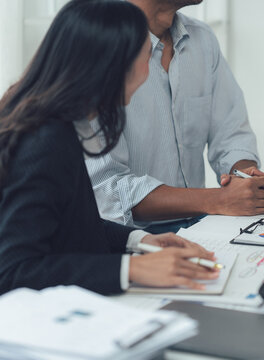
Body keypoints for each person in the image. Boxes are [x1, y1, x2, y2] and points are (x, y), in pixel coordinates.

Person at [0, 0, 219, 295]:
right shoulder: (45, 140)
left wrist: (139, 241)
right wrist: (132, 269)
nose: (149, 68)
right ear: (112, 66)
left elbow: (69, 226)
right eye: (144, 57)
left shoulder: (57, 122)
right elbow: (13, 271)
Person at [85, 0, 264, 233]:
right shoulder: (98, 45)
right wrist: (218, 199)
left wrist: (242, 175)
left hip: (201, 225)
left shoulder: (203, 39)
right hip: (127, 239)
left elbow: (230, 134)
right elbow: (108, 190)